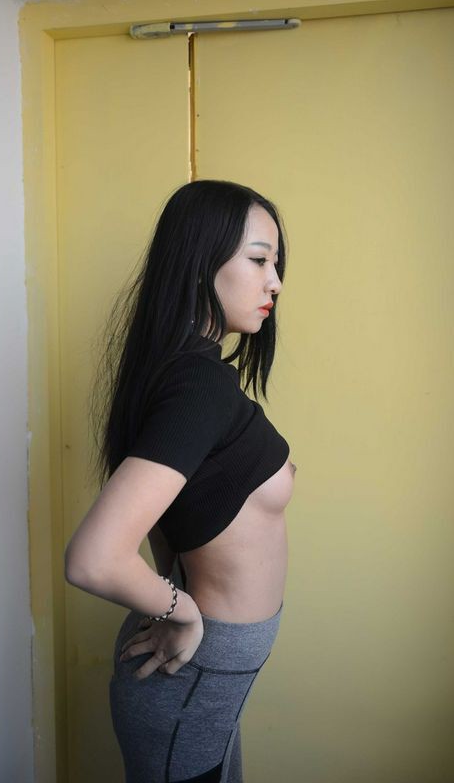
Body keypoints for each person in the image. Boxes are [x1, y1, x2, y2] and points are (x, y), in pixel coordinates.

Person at [64, 179, 297, 782]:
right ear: (199, 262)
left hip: (206, 684)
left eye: (276, 264)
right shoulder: (197, 385)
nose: (275, 282)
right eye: (259, 260)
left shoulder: (189, 376)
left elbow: (172, 522)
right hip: (188, 680)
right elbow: (93, 558)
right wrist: (186, 612)